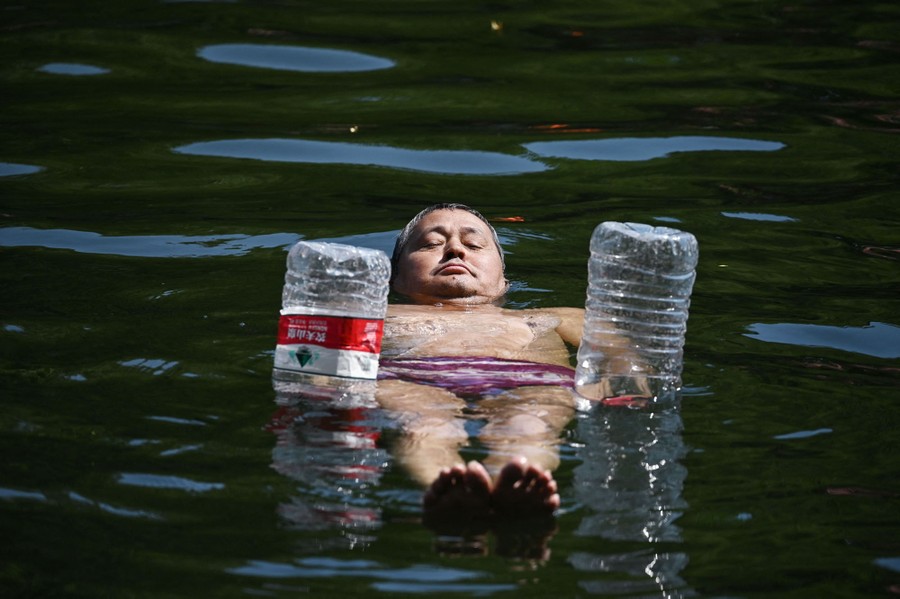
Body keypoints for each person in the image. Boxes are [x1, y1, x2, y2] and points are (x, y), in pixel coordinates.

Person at [375, 203, 640, 543]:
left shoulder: (553, 315)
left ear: (503, 278)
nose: (455, 249)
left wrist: (609, 388)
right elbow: (324, 361)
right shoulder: (377, 314)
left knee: (527, 424)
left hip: (531, 380)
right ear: (395, 277)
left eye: (473, 245)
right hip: (411, 379)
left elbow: (620, 355)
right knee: (425, 423)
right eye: (430, 243)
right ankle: (447, 487)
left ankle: (517, 483)